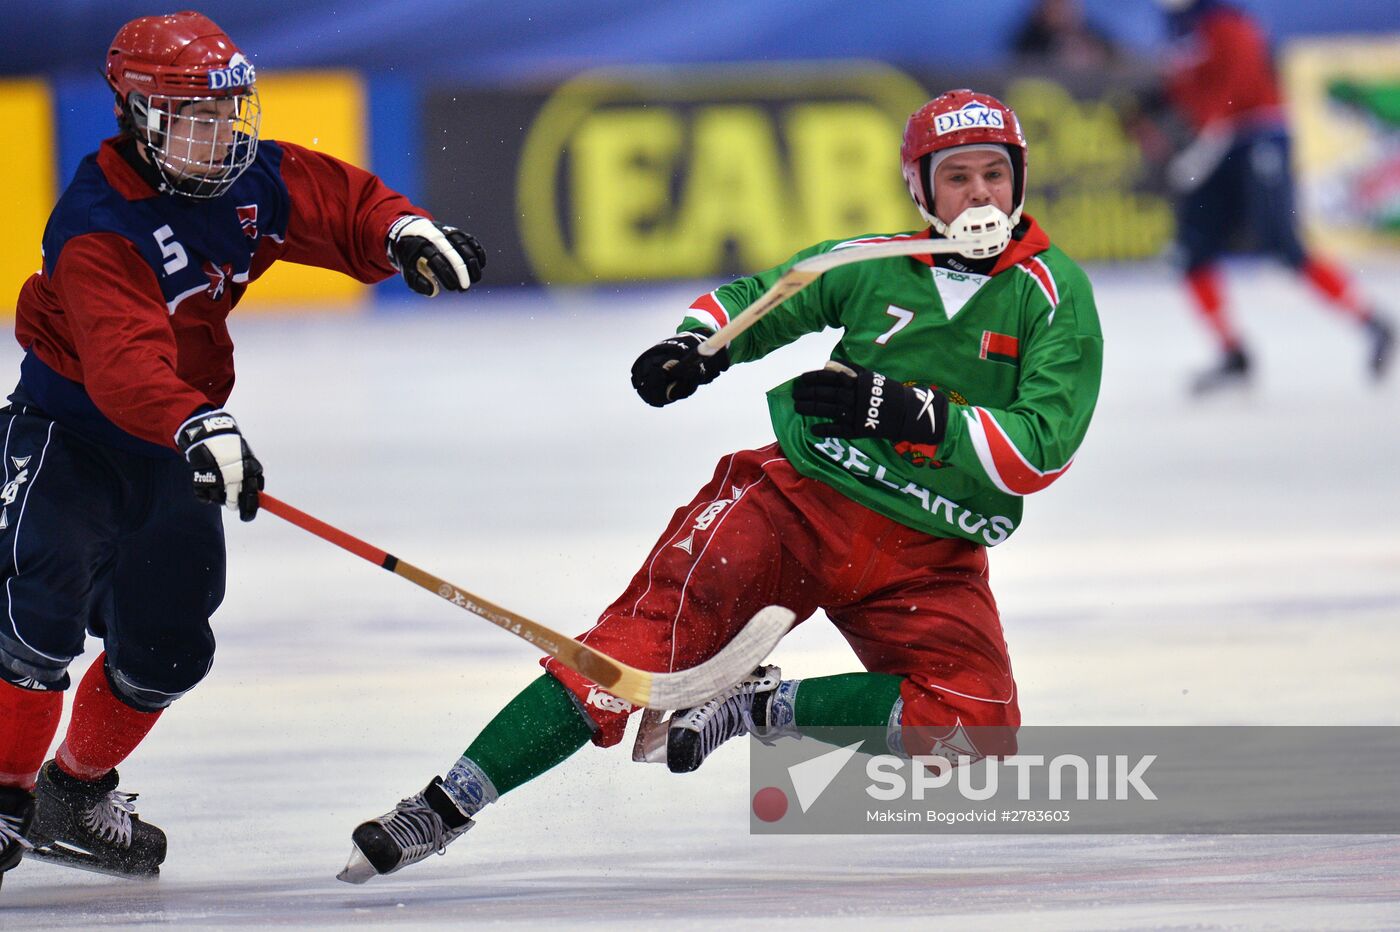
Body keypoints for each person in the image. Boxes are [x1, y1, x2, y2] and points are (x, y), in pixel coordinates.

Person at [338, 89, 1103, 884]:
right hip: (793, 511)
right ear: (921, 187)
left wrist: (903, 409)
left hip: (928, 553)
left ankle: (753, 705)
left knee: (978, 731)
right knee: (624, 663)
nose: (979, 196)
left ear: (1019, 180)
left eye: (994, 174)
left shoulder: (1053, 293)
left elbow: (1040, 453)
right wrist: (697, 346)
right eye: (956, 177)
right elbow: (758, 300)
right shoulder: (868, 261)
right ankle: (445, 804)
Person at [0, 10, 485, 886]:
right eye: (196, 117)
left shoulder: (243, 177)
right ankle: (3, 796)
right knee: (37, 621)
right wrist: (196, 423)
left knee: (169, 647)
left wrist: (401, 232)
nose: (221, 135)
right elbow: (122, 363)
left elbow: (339, 202)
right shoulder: (99, 222)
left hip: (178, 440)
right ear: (139, 117)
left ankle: (71, 794)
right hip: (71, 435)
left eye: (228, 113)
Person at [1155, 0, 1393, 393]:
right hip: (1219, 143)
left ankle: (1371, 322)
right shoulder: (1178, 29)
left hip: (1257, 135)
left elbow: (1238, 85)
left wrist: (1204, 139)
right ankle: (1232, 352)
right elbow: (1187, 89)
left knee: (1283, 243)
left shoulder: (1226, 22)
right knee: (1192, 248)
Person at [1012, 0, 1119, 71]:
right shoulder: (1030, 41)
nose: (1058, 10)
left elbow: (1115, 60)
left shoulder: (1092, 34)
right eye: (1053, 5)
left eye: (1063, 4)